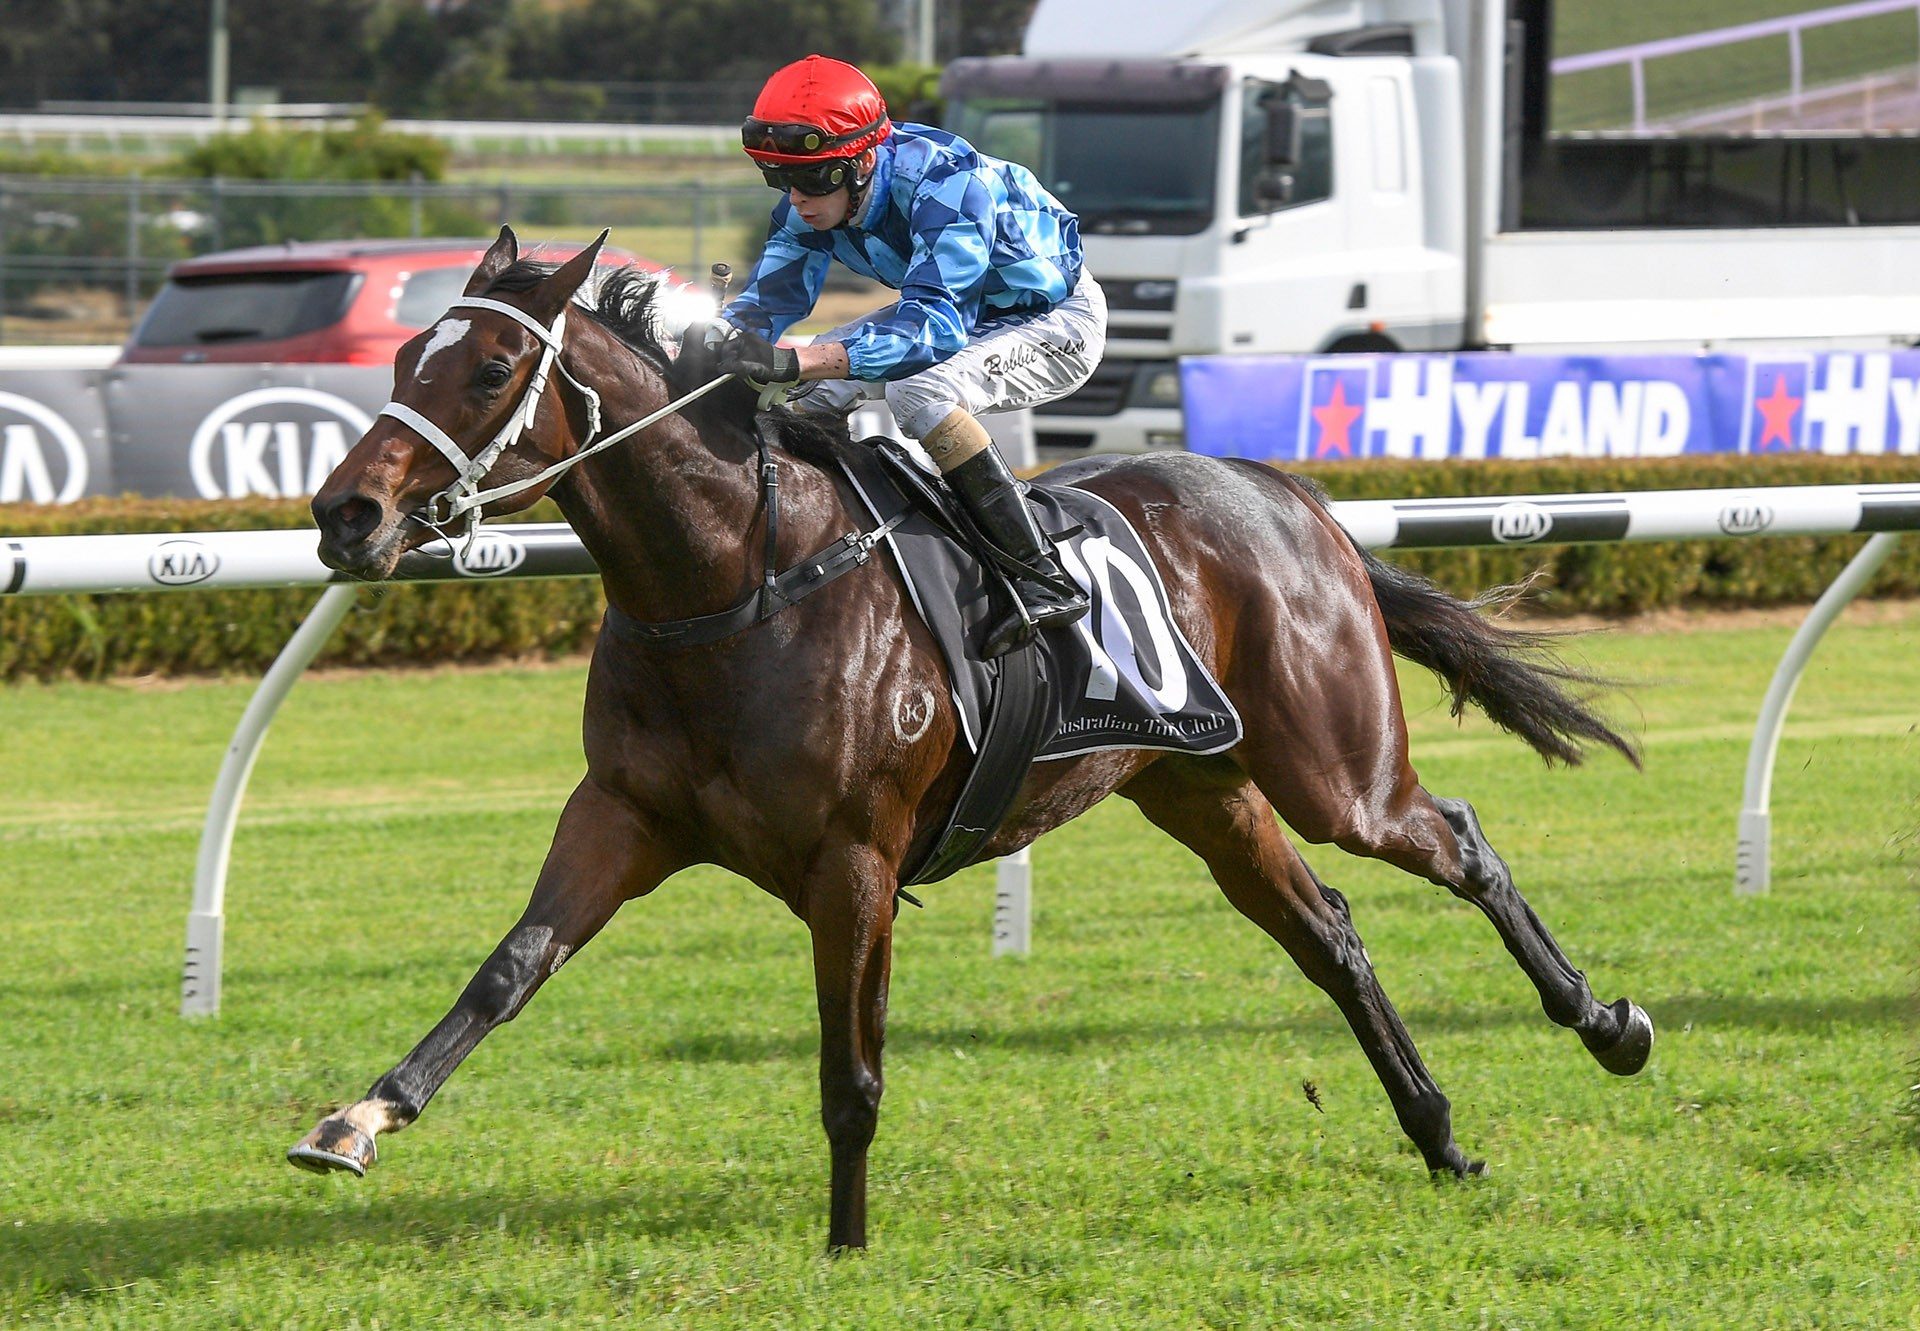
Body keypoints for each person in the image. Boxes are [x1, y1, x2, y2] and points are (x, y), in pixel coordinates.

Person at [709, 53, 1106, 657]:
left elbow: (935, 329)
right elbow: (766, 308)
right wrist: (708, 346)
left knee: (915, 390)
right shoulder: (813, 197)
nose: (798, 198)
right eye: (780, 177)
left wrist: (800, 359)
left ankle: (1040, 575)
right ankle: (837, 551)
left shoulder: (949, 185)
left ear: (864, 161)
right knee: (810, 393)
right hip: (961, 314)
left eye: (815, 180)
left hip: (1051, 320)